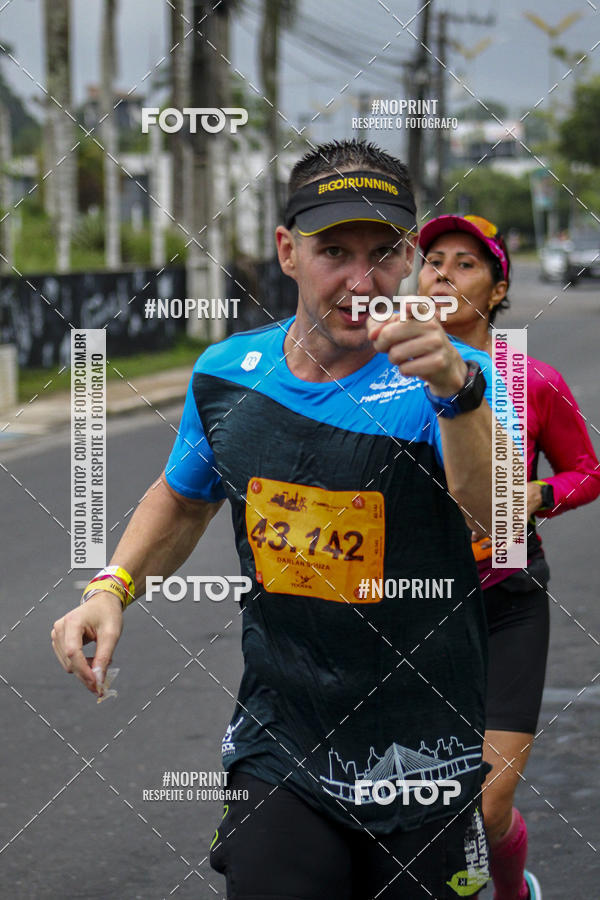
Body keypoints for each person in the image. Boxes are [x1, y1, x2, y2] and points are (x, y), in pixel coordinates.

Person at [52, 141, 508, 899]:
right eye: (334, 251)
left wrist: (456, 394)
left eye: (386, 252)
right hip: (282, 741)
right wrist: (112, 585)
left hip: (425, 753)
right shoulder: (226, 374)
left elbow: (493, 516)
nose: (362, 281)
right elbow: (184, 496)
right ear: (288, 251)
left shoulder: (456, 378)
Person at [417, 213, 600, 900]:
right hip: (410, 612)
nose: (442, 272)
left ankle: (511, 890)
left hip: (505, 600)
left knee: (487, 806)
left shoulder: (532, 379)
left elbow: (588, 470)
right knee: (411, 801)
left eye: (465, 264)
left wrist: (537, 494)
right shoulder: (378, 377)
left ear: (497, 291)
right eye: (433, 260)